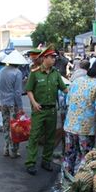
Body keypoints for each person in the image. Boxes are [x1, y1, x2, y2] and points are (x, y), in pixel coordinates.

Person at [24, 45, 68, 175]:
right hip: (39, 109)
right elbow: (29, 90)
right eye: (52, 57)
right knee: (35, 136)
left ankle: (46, 160)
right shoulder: (35, 73)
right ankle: (30, 162)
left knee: (50, 137)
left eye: (55, 57)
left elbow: (64, 88)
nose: (54, 59)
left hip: (52, 110)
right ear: (45, 58)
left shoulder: (56, 74)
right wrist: (34, 102)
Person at [63, 60, 96, 175]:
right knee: (86, 157)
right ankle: (81, 182)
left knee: (69, 155)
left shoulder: (76, 81)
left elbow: (68, 102)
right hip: (86, 129)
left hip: (69, 126)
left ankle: (66, 181)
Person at [0, 50, 28, 158]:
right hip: (12, 103)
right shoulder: (17, 72)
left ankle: (6, 148)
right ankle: (13, 150)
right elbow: (17, 92)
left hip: (3, 102)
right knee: (15, 128)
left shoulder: (1, 71)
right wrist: (20, 107)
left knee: (6, 126)